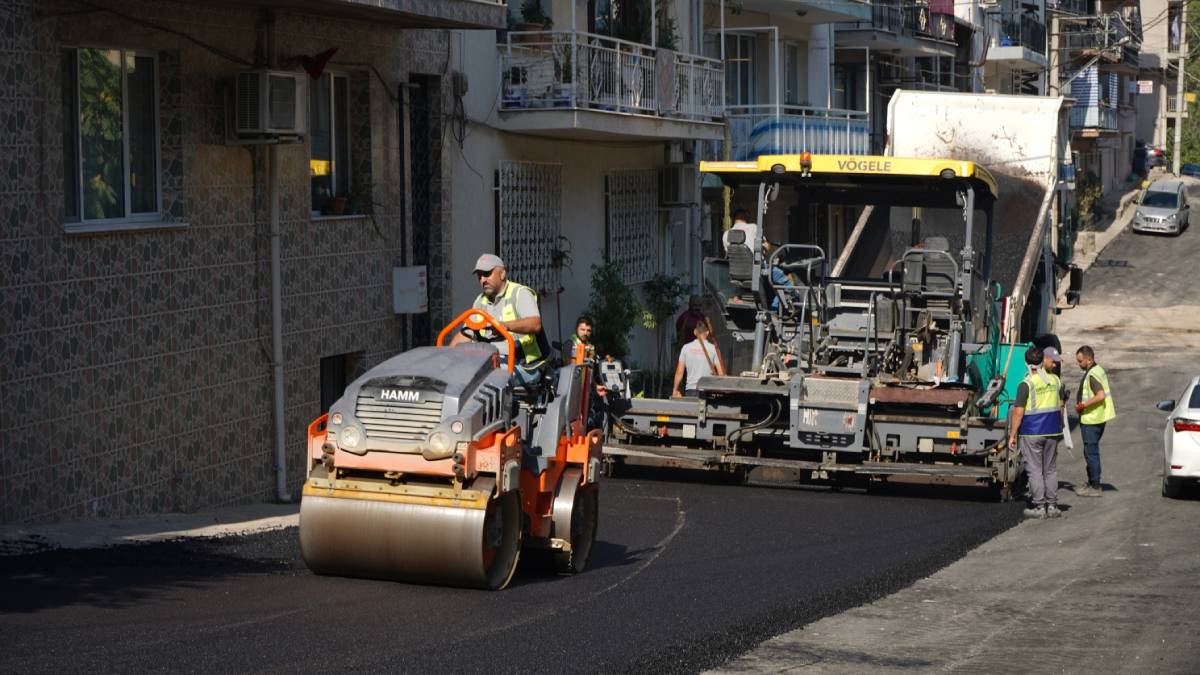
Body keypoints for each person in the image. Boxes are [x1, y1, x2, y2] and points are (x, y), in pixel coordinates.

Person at [452, 253, 550, 387]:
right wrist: (444, 357)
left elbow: (535, 324)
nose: (482, 280)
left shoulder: (520, 294)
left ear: (502, 274)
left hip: (523, 365)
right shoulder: (480, 302)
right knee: (457, 373)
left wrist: (505, 326)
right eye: (479, 276)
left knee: (482, 378)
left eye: (487, 274)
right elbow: (465, 333)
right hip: (490, 362)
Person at [1008, 346, 1068, 519]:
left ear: (1026, 363)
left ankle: (1039, 506)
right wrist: (1059, 426)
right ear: (1043, 361)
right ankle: (1053, 505)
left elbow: (1018, 412)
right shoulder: (1056, 381)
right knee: (1050, 469)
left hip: (1032, 432)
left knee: (1035, 470)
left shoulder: (1026, 384)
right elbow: (1061, 406)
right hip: (1052, 431)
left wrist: (1012, 435)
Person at [1074, 345, 1116, 497]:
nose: (1078, 364)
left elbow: (1100, 396)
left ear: (1089, 359)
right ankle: (1092, 482)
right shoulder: (1097, 370)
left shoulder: (1092, 375)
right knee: (1090, 451)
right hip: (1097, 418)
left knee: (1091, 452)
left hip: (1092, 419)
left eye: (1080, 361)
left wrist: (1083, 405)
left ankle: (1095, 486)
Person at [672, 318, 726, 398]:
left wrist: (675, 390)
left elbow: (680, 372)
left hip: (691, 390)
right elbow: (721, 373)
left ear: (695, 332)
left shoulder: (686, 348)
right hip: (708, 390)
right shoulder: (713, 348)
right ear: (707, 333)